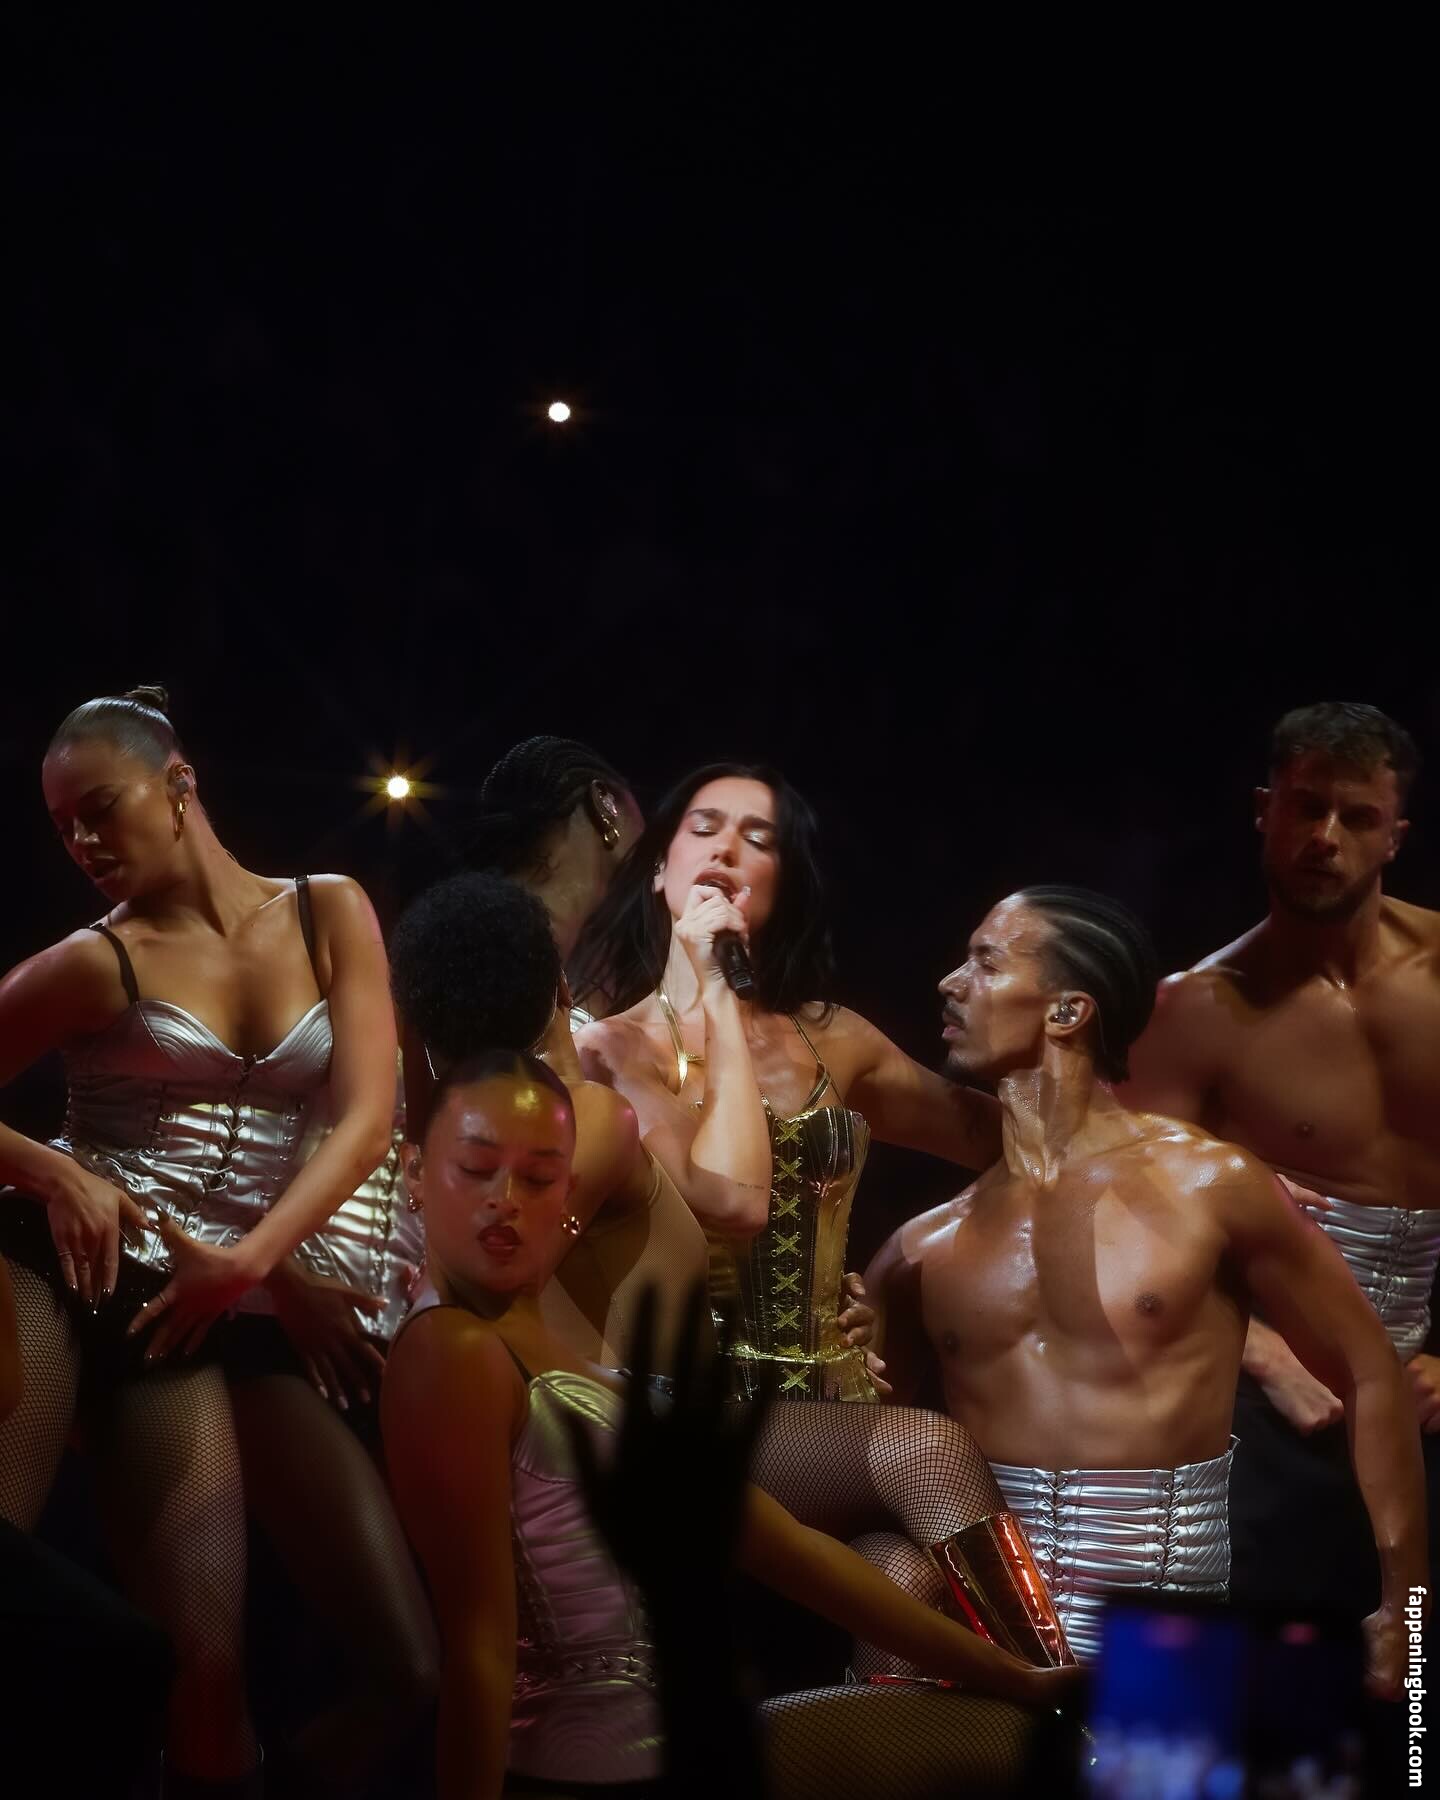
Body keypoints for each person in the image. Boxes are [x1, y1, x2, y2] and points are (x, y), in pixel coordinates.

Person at [382, 1049, 1077, 1799]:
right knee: (1014, 1747)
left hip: (696, 1744)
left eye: (538, 1178)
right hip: (595, 1769)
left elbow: (792, 1552)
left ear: (568, 1195)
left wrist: (1018, 1677)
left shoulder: (546, 1350)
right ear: (416, 1173)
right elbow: (479, 1649)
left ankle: (1060, 1704)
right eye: (476, 1169)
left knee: (974, 1688)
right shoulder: (451, 1350)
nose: (505, 1200)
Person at [0, 686, 434, 1796]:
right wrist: (55, 1170)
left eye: (101, 809)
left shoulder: (327, 909)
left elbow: (368, 1115)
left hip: (192, 1303)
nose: (84, 844)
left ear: (179, 783)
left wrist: (257, 1264)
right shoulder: (96, 960)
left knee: (208, 1668)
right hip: (60, 1262)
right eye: (63, 828)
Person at [864, 884, 1427, 1692]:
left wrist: (1406, 1602)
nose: (950, 983)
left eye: (985, 962)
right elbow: (863, 1458)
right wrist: (838, 1352)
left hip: (1166, 1653)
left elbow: (1371, 1371)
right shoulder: (922, 1249)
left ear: (1068, 1011)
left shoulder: (1211, 1184)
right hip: (983, 1659)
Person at [1120, 701, 1440, 1623]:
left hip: (1422, 1375)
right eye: (1306, 807)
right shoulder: (1191, 1012)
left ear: (1395, 836)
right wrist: (1260, 1352)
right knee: (1253, 1646)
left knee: (1413, 1661)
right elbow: (1124, 1213)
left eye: (1357, 817)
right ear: (1266, 810)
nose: (1325, 838)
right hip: (1272, 1389)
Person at [571, 762, 1001, 1403]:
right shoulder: (608, 1053)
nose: (725, 848)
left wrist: (902, 1269)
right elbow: (729, 1208)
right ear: (660, 868)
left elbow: (1012, 1143)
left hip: (830, 1392)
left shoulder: (837, 1038)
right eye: (704, 828)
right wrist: (718, 992)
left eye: (758, 839)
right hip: (689, 1401)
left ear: (784, 884)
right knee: (930, 1448)